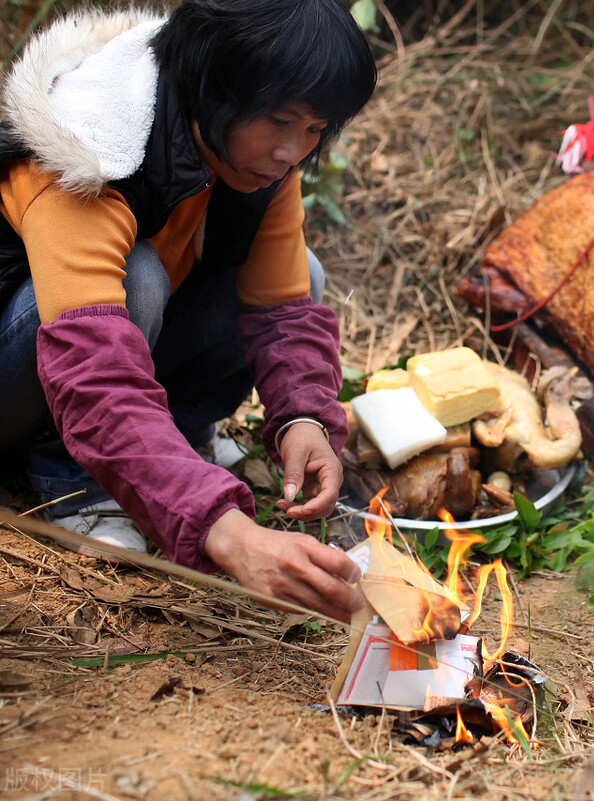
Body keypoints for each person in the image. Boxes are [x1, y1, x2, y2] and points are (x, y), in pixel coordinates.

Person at [0, 0, 377, 622]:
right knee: (138, 277)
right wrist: (225, 531)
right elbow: (92, 375)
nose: (293, 151)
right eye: (280, 120)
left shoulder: (254, 154)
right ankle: (73, 482)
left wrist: (303, 418)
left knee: (302, 276)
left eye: (315, 129)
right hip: (27, 369)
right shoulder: (86, 144)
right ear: (213, 82)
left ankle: (176, 439)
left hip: (102, 348)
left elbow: (284, 313)